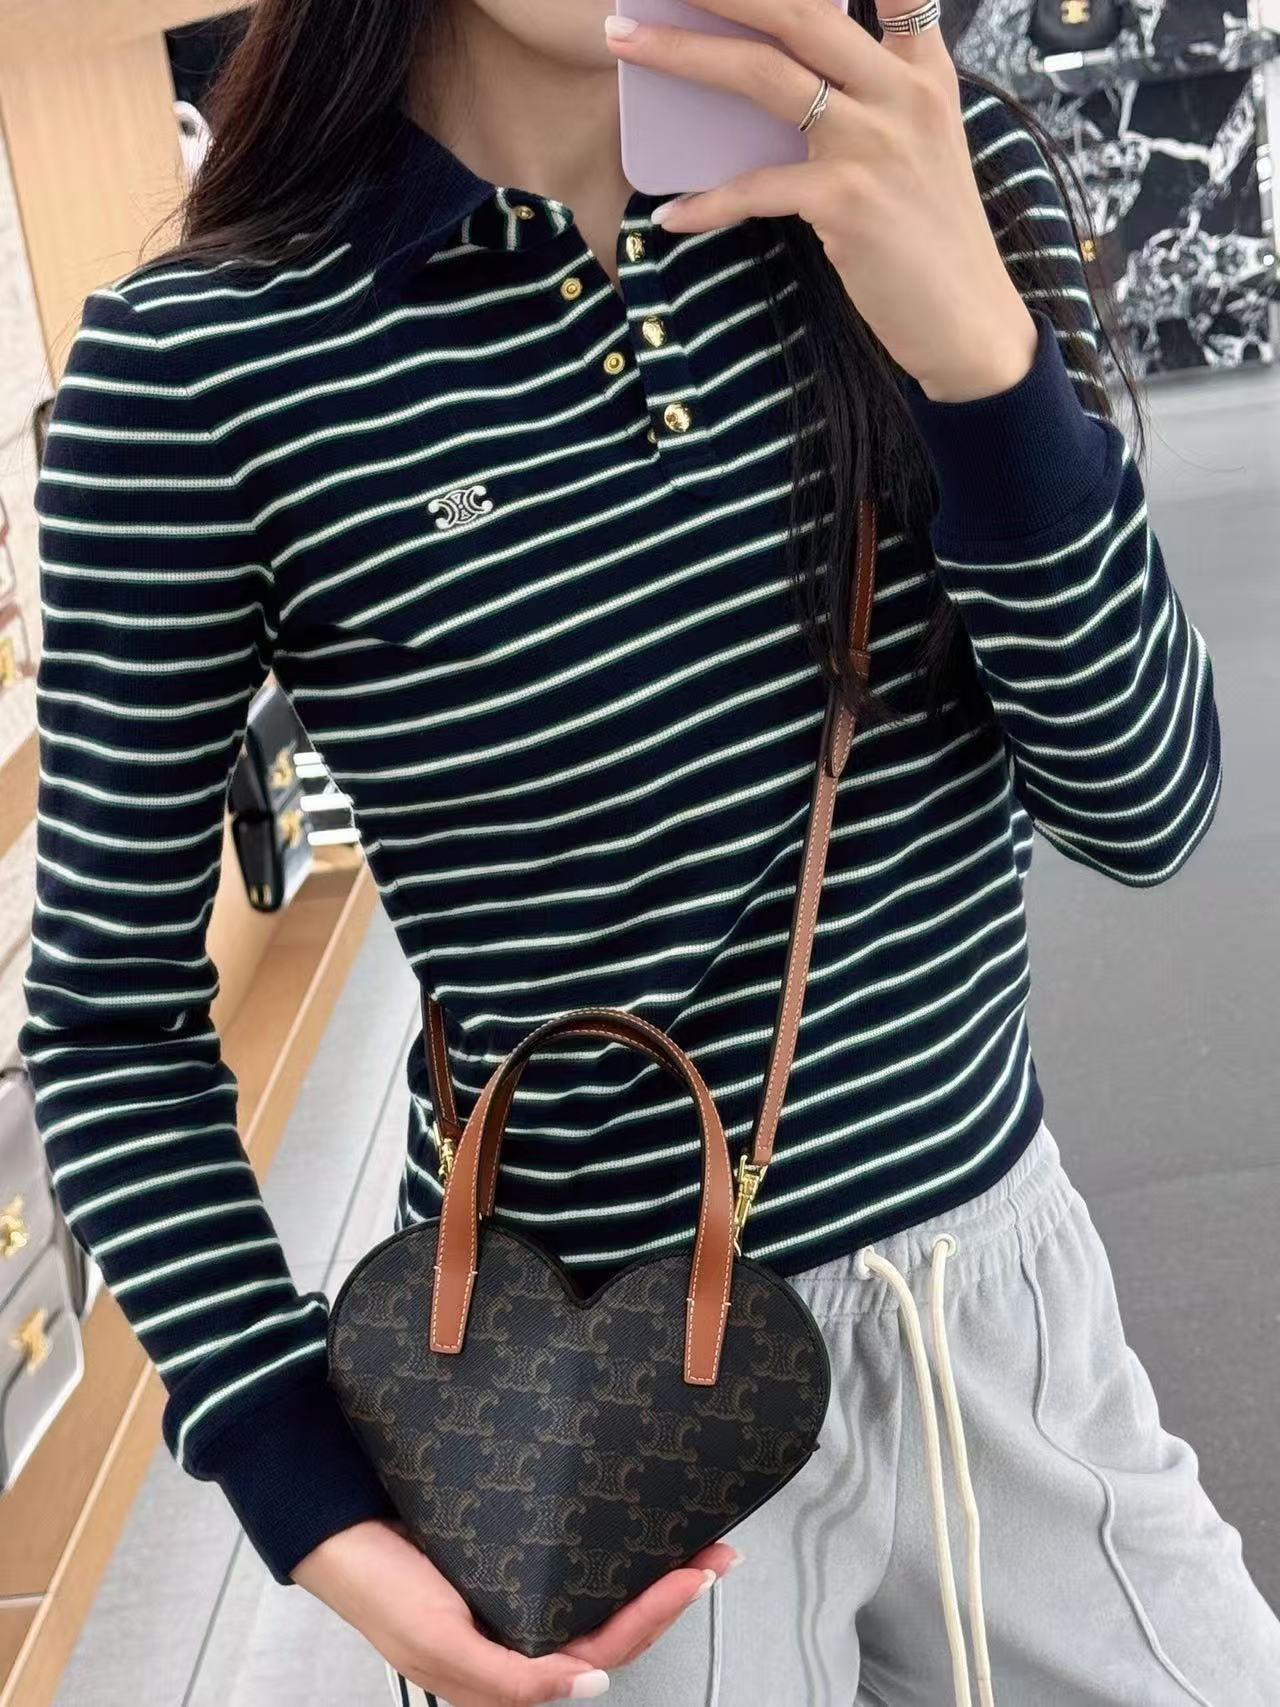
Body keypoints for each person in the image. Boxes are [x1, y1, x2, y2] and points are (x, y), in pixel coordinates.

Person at [18, 0, 1279, 1703]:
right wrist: (304, 1489)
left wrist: (978, 353)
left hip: (1001, 1320)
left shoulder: (932, 167)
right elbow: (110, 1023)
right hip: (591, 1409)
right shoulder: (203, 361)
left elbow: (1147, 806)